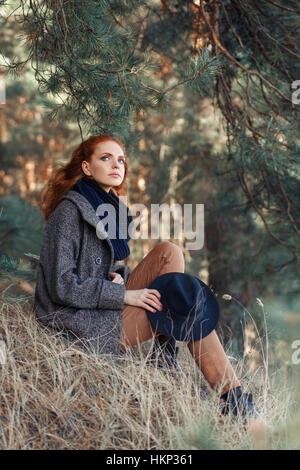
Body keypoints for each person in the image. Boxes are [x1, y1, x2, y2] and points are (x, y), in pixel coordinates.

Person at [34, 134, 260, 422]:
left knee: (170, 252)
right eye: (106, 158)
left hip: (98, 307)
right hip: (77, 324)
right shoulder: (69, 213)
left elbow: (98, 267)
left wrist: (116, 277)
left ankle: (163, 356)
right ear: (87, 168)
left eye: (121, 160)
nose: (117, 165)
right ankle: (236, 403)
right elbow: (61, 285)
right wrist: (123, 294)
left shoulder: (107, 209)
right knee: (184, 307)